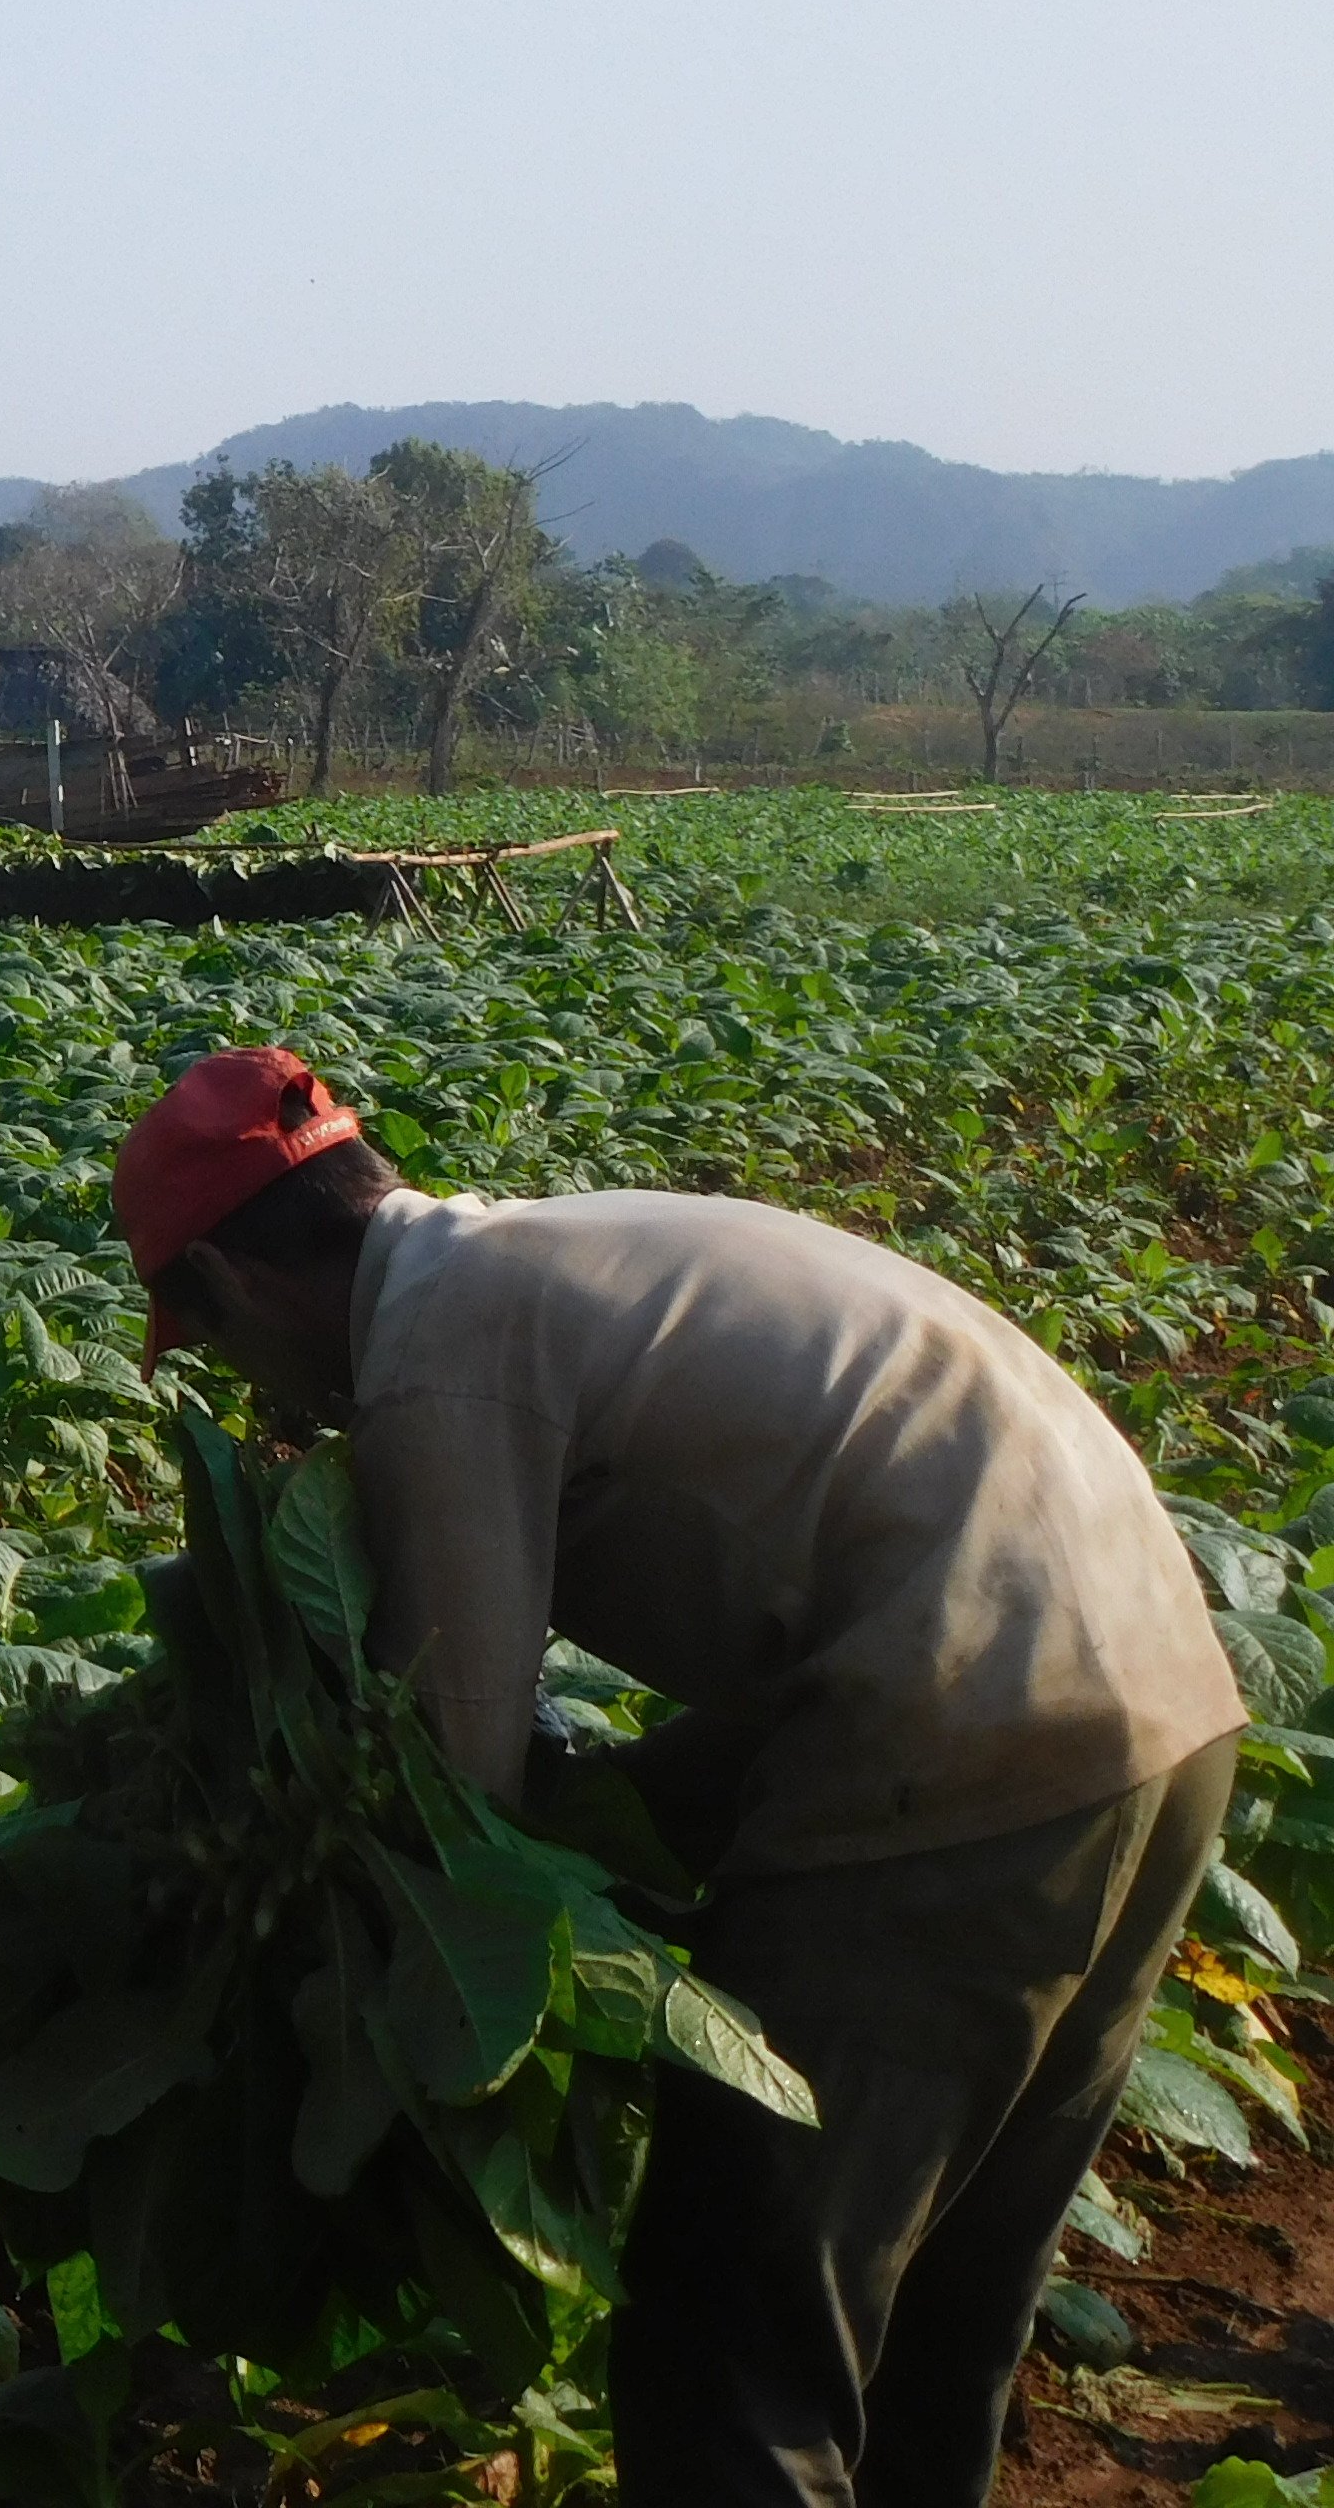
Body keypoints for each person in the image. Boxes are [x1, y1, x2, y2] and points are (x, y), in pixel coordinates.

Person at [112, 1045, 1245, 2508]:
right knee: (932, 2325)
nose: (250, 1396)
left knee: (731, 2334)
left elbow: (452, 1771)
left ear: (233, 1278)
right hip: (1160, 1708)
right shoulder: (547, 1255)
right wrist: (630, 1836)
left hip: (964, 1738)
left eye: (207, 1347)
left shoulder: (439, 1347)